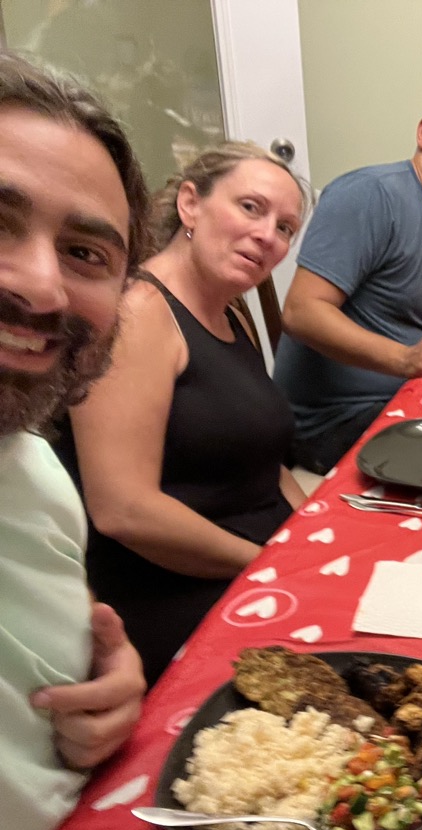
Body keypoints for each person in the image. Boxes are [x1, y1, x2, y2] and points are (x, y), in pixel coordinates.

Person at [53, 142, 311, 687]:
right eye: (251, 207)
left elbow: (265, 460)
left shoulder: (230, 313)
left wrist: (316, 533)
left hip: (262, 560)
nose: (268, 235)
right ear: (191, 204)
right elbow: (124, 510)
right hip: (179, 593)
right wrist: (267, 562)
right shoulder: (139, 312)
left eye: (286, 228)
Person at [0, 51, 149, 830]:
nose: (41, 287)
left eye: (86, 252)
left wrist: (112, 693)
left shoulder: (35, 471)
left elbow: (68, 677)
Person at [274, 76, 422, 474]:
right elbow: (300, 312)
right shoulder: (369, 196)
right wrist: (406, 359)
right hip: (331, 422)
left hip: (409, 401)